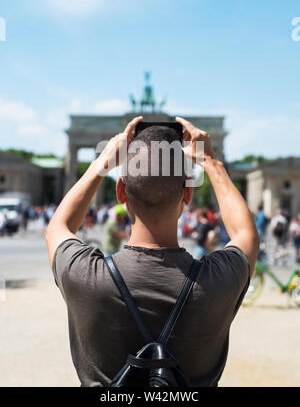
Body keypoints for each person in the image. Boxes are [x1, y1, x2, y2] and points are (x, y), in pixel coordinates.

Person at [46, 116, 259, 387]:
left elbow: (58, 227)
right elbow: (246, 234)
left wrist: (102, 162)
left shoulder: (85, 275)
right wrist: (212, 163)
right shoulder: (218, 281)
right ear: (187, 194)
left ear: (121, 191)